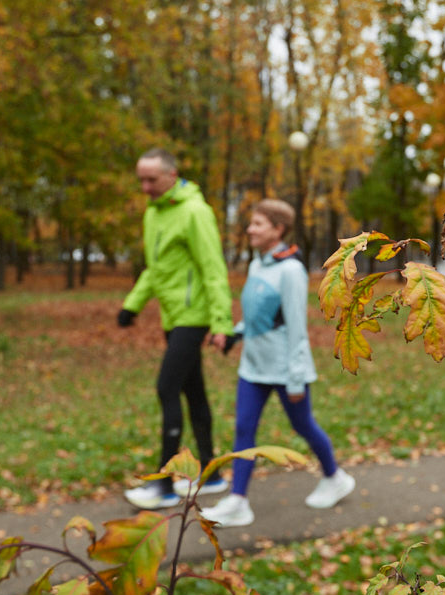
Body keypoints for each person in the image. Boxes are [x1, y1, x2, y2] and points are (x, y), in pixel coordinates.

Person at [201, 198, 355, 527]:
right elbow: (260, 319)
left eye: (257, 224)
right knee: (244, 429)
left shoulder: (291, 270)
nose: (249, 229)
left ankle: (335, 477)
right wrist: (232, 335)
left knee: (303, 426)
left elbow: (297, 329)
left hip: (286, 370)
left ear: (277, 229)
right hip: (253, 367)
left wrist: (297, 378)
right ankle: (238, 502)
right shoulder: (259, 265)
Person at [119, 149, 233, 509]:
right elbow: (155, 269)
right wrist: (132, 304)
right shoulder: (154, 213)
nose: (145, 187)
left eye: (151, 179)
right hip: (172, 316)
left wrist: (221, 323)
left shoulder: (195, 211)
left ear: (172, 175)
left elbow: (213, 268)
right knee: (193, 392)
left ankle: (164, 484)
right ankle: (212, 474)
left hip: (193, 315)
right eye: (141, 179)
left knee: (166, 388)